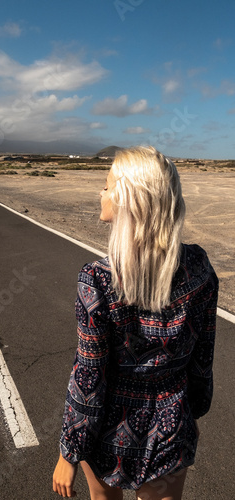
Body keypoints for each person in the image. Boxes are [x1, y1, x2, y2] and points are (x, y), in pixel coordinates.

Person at [52, 146, 218, 500]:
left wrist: (70, 449)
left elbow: (89, 375)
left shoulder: (96, 280)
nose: (101, 192)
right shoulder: (199, 268)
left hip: (108, 428)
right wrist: (193, 412)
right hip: (172, 423)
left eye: (108, 185)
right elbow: (203, 356)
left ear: (129, 199)